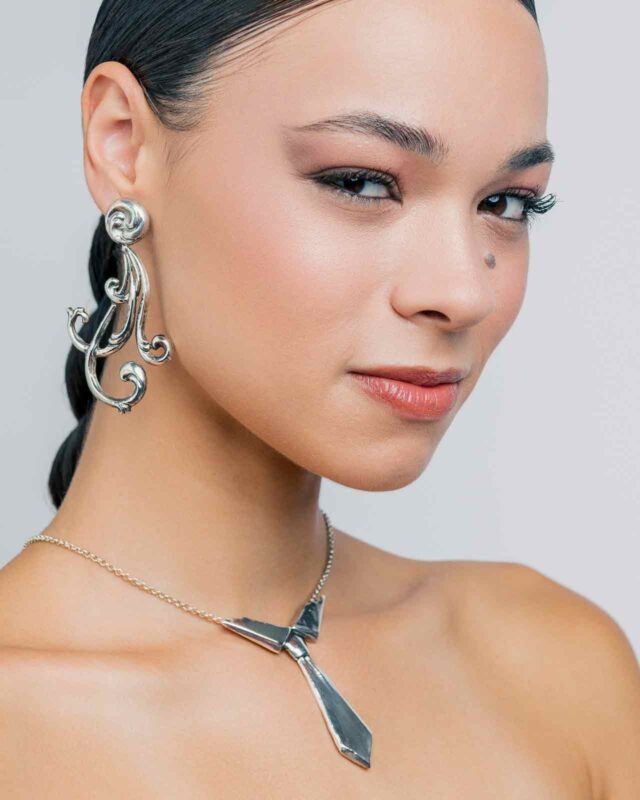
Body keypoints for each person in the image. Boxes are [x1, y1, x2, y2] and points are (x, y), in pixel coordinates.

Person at [1, 0, 639, 795]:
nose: (460, 291)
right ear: (123, 144)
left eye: (506, 203)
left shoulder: (557, 665)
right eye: (362, 181)